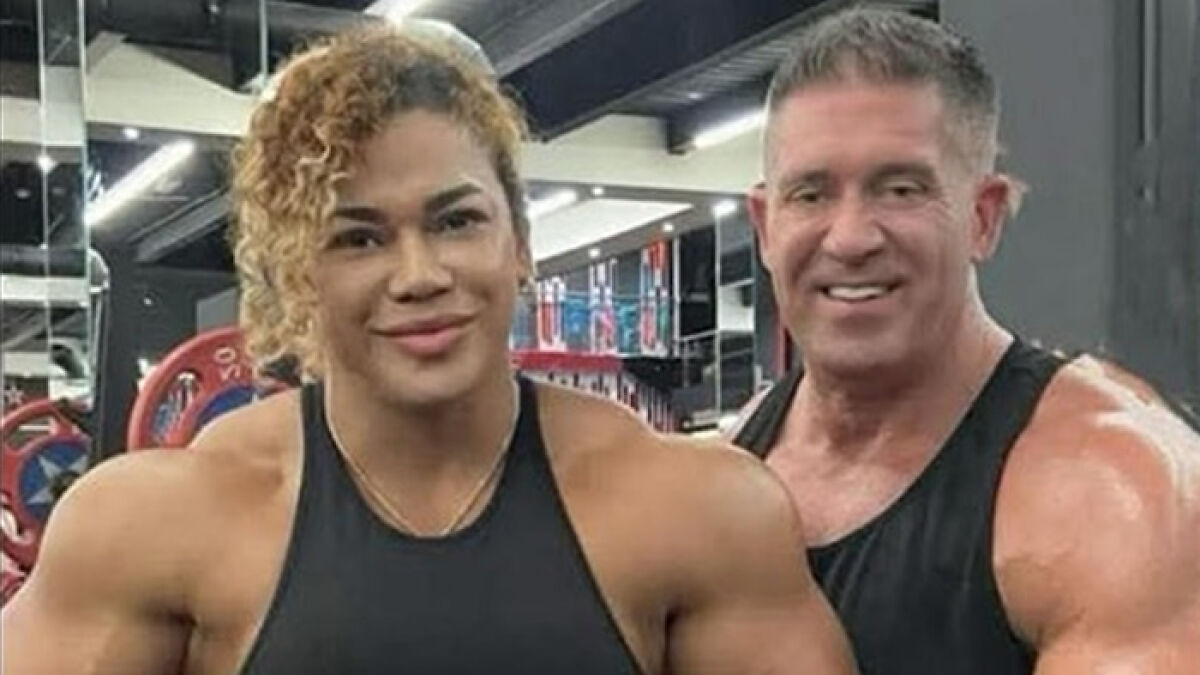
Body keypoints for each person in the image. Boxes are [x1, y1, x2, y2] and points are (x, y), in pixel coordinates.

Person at [1, 23, 857, 675]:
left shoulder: (695, 509)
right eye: (360, 239)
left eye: (456, 222)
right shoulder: (153, 527)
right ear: (299, 275)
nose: (420, 274)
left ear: (519, 243)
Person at [733, 7, 1200, 675]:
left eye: (899, 189)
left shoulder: (1118, 491)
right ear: (764, 226)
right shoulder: (733, 461)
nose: (850, 236)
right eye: (810, 194)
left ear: (983, 218)